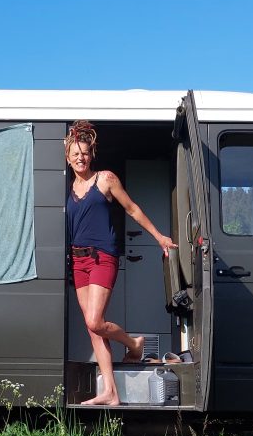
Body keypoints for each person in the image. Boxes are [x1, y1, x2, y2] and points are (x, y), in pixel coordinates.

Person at [64, 120, 177, 407]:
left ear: (92, 155)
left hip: (103, 257)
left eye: (85, 153)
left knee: (94, 320)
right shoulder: (67, 188)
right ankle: (110, 393)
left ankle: (133, 344)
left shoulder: (105, 179)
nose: (81, 158)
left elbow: (132, 208)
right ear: (68, 157)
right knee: (93, 329)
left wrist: (159, 237)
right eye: (75, 153)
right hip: (78, 262)